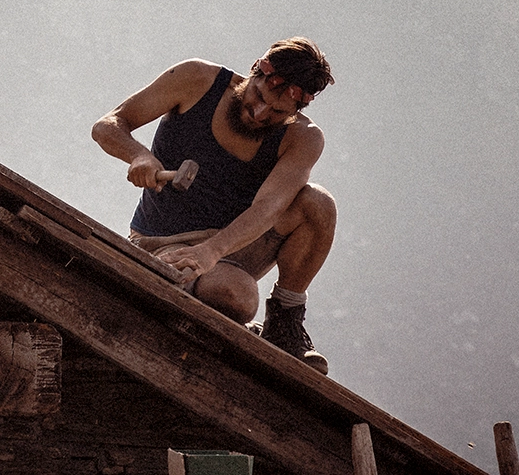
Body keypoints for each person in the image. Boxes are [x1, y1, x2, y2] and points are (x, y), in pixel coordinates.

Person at [91, 38, 337, 372]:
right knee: (238, 297)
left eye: (278, 112)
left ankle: (285, 323)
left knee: (318, 204)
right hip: (162, 242)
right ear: (255, 70)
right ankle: (201, 287)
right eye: (259, 96)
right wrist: (138, 155)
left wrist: (211, 251)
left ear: (296, 110)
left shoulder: (303, 138)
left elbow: (269, 208)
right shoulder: (197, 80)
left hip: (229, 246)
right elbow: (108, 124)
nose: (260, 112)